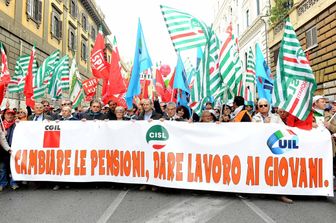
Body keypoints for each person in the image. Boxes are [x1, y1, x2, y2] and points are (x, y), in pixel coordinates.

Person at [0, 110, 19, 191]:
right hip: (2, 150)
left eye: (12, 115)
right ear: (4, 115)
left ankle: (13, 183)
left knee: (13, 167)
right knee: (2, 168)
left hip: (13, 149)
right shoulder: (0, 125)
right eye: (8, 114)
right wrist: (2, 134)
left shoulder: (17, 125)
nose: (10, 116)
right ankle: (2, 183)